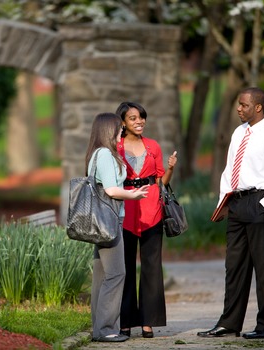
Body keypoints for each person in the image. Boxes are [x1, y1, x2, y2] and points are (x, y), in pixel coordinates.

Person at [197, 87, 264, 339]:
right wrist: (223, 201)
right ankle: (229, 323)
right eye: (238, 104)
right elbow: (230, 170)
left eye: (243, 105)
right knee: (234, 266)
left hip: (260, 203)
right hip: (236, 204)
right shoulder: (239, 132)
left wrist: (263, 206)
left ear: (258, 107)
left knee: (262, 266)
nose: (238, 108)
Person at [85, 112, 150, 343]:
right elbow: (112, 190)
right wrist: (134, 194)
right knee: (116, 274)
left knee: (101, 277)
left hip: (100, 221)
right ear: (108, 129)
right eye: (118, 127)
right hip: (109, 221)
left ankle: (98, 328)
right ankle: (105, 330)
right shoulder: (104, 154)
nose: (121, 130)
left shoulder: (95, 153)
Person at [115, 101, 177, 339]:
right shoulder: (115, 147)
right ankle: (126, 320)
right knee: (126, 267)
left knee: (151, 267)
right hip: (125, 211)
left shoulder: (153, 146)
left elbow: (162, 181)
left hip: (152, 211)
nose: (139, 121)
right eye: (133, 118)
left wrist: (170, 168)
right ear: (123, 122)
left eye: (141, 117)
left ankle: (148, 321)